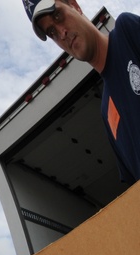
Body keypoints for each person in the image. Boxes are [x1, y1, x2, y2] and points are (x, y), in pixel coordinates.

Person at [24, 0, 140, 185]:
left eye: (58, 16)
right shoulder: (107, 112)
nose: (62, 33)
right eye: (52, 32)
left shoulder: (127, 31)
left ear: (74, 5)